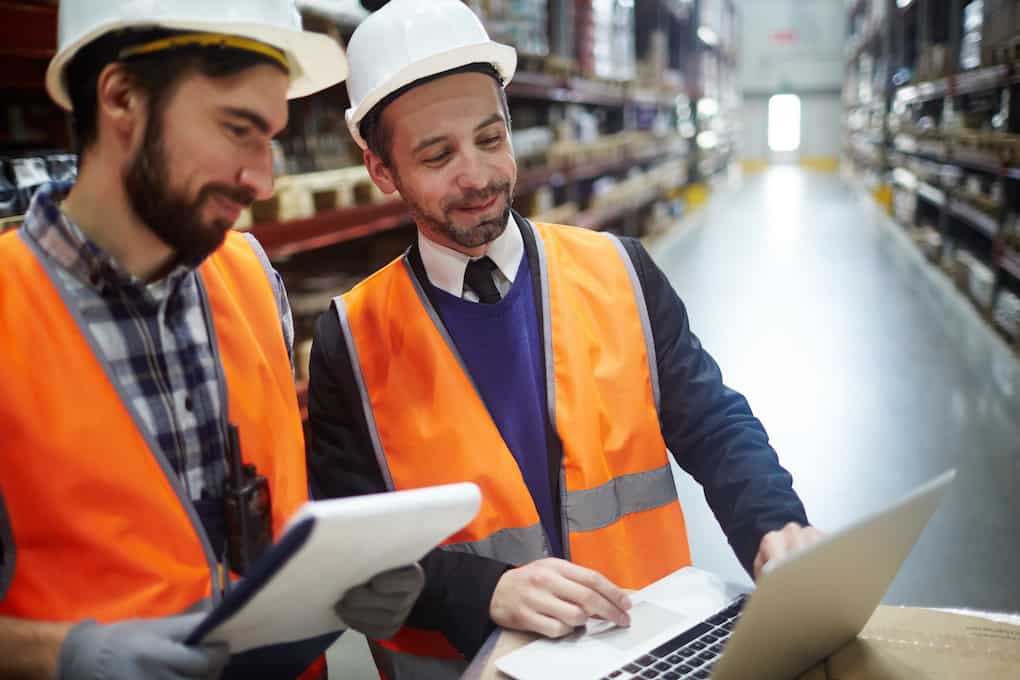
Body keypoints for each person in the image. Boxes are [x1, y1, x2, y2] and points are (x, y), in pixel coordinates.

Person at [307, 0, 822, 677]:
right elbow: (353, 553)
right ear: (381, 170)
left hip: (645, 650)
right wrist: (482, 592)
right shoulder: (352, 336)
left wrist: (773, 522)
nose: (478, 176)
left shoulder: (620, 272)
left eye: (491, 139)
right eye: (438, 155)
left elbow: (714, 422)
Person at [0, 2, 423, 679]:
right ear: (121, 98)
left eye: (271, 139)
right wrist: (61, 658)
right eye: (237, 129)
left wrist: (338, 576)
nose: (263, 180)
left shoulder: (251, 278)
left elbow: (272, 501)